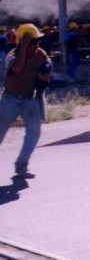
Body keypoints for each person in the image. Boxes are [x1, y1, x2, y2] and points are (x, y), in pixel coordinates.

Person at [0, 23, 51, 178]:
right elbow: (17, 68)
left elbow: (44, 76)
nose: (37, 45)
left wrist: (46, 71)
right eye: (34, 42)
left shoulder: (41, 55)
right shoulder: (12, 55)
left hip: (29, 100)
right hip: (10, 100)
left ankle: (22, 165)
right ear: (23, 42)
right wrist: (23, 47)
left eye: (37, 41)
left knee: (34, 132)